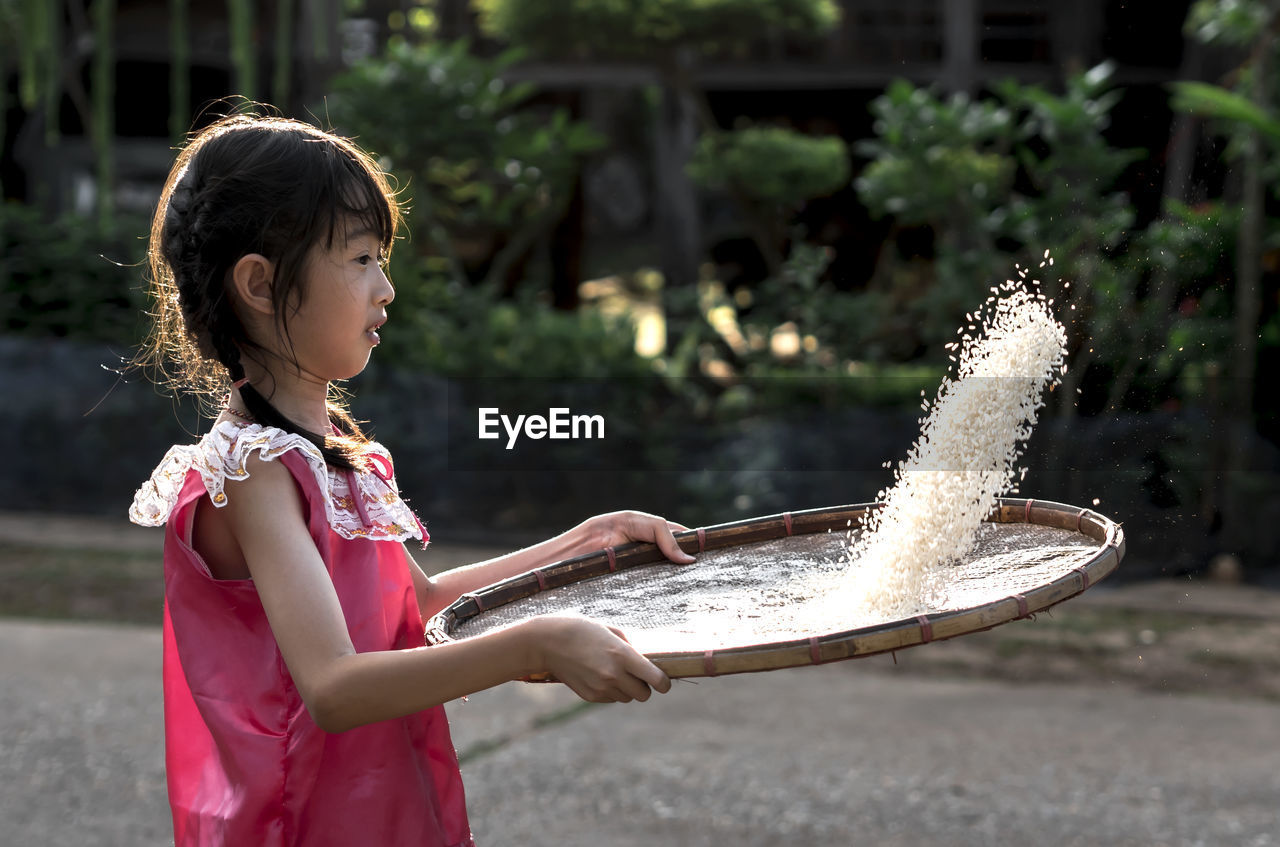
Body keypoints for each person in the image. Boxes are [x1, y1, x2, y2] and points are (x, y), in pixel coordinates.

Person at [128, 112, 696, 847]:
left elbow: (414, 606)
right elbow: (332, 685)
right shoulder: (253, 470)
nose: (385, 288)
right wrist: (534, 644)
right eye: (361, 258)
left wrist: (589, 541)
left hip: (382, 812)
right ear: (261, 283)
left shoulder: (319, 449)